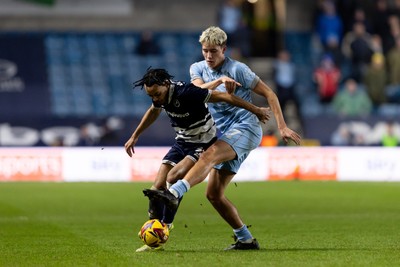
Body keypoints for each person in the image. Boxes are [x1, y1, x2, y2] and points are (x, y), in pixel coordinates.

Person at [143, 26, 301, 250]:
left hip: (246, 128)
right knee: (214, 195)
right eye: (205, 51)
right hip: (225, 133)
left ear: (223, 49)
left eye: (213, 51)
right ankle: (245, 239)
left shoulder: (239, 69)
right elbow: (197, 91)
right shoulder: (197, 68)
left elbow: (270, 94)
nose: (208, 56)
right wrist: (218, 83)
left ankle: (175, 193)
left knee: (211, 154)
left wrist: (282, 126)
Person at [125, 68, 270, 252]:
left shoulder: (187, 93)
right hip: (182, 142)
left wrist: (256, 109)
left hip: (202, 143)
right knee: (156, 187)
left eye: (157, 94)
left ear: (166, 84)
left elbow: (225, 97)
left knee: (173, 177)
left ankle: (165, 229)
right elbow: (154, 111)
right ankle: (153, 231)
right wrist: (135, 135)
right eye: (151, 96)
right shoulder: (160, 97)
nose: (155, 99)